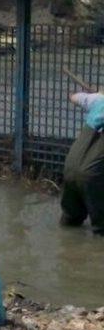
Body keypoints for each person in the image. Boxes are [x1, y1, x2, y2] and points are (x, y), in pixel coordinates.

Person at [60, 91, 104, 235]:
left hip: (70, 170)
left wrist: (98, 94)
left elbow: (73, 97)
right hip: (92, 176)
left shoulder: (97, 101)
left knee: (69, 222)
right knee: (101, 230)